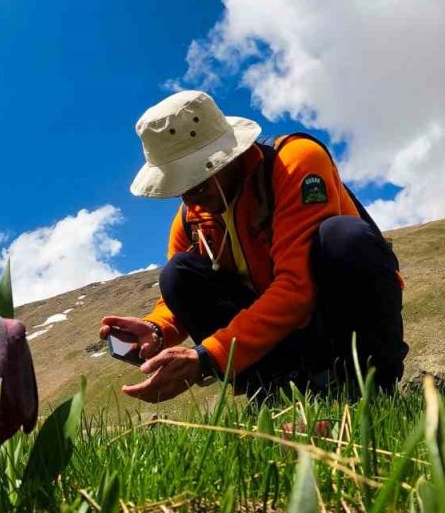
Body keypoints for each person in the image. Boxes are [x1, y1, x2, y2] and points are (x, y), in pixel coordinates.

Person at [100, 90, 407, 402]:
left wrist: (208, 357)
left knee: (344, 237)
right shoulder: (192, 219)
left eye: (199, 184)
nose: (190, 200)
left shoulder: (295, 161)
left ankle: (367, 387)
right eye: (180, 189)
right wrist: (156, 330)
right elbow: (176, 300)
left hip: (335, 322)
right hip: (277, 336)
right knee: (177, 274)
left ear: (227, 157)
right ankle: (274, 395)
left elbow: (296, 287)